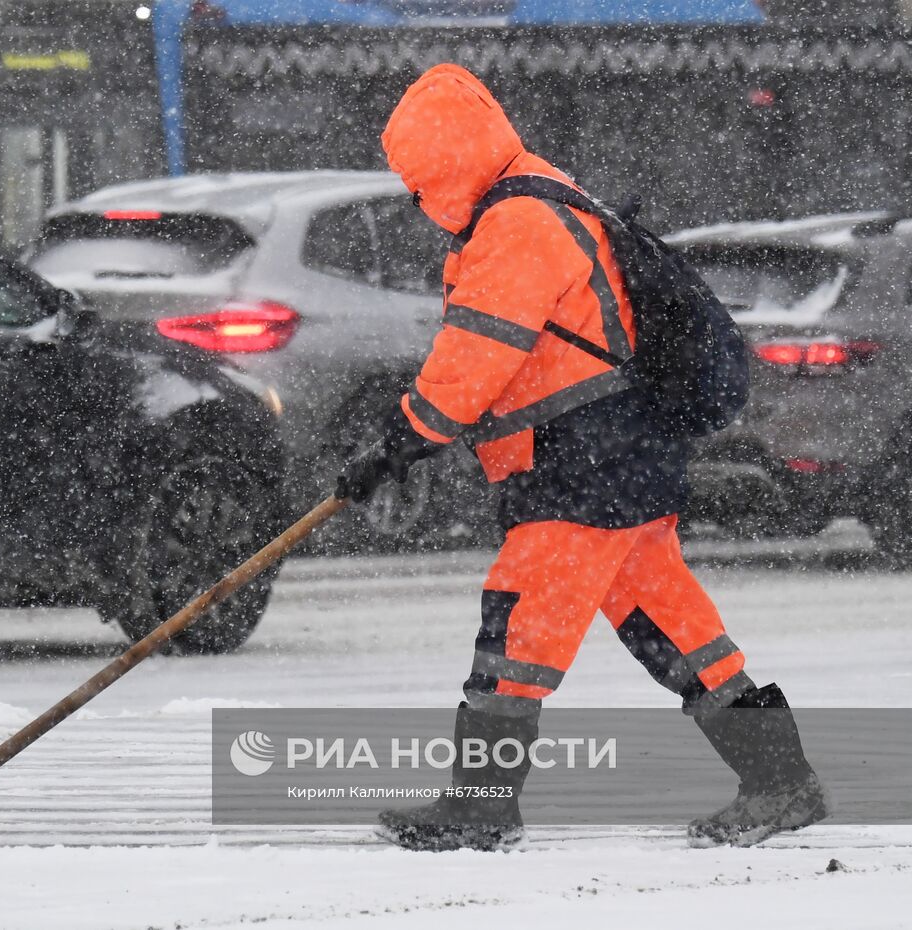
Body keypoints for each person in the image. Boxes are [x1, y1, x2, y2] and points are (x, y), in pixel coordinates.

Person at [337, 63, 828, 852]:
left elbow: (476, 357)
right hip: (621, 455)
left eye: (416, 179)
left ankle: (481, 804)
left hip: (583, 466)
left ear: (443, 163)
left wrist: (401, 440)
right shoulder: (540, 197)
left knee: (518, 625)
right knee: (673, 626)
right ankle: (782, 782)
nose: (415, 198)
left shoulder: (517, 224)